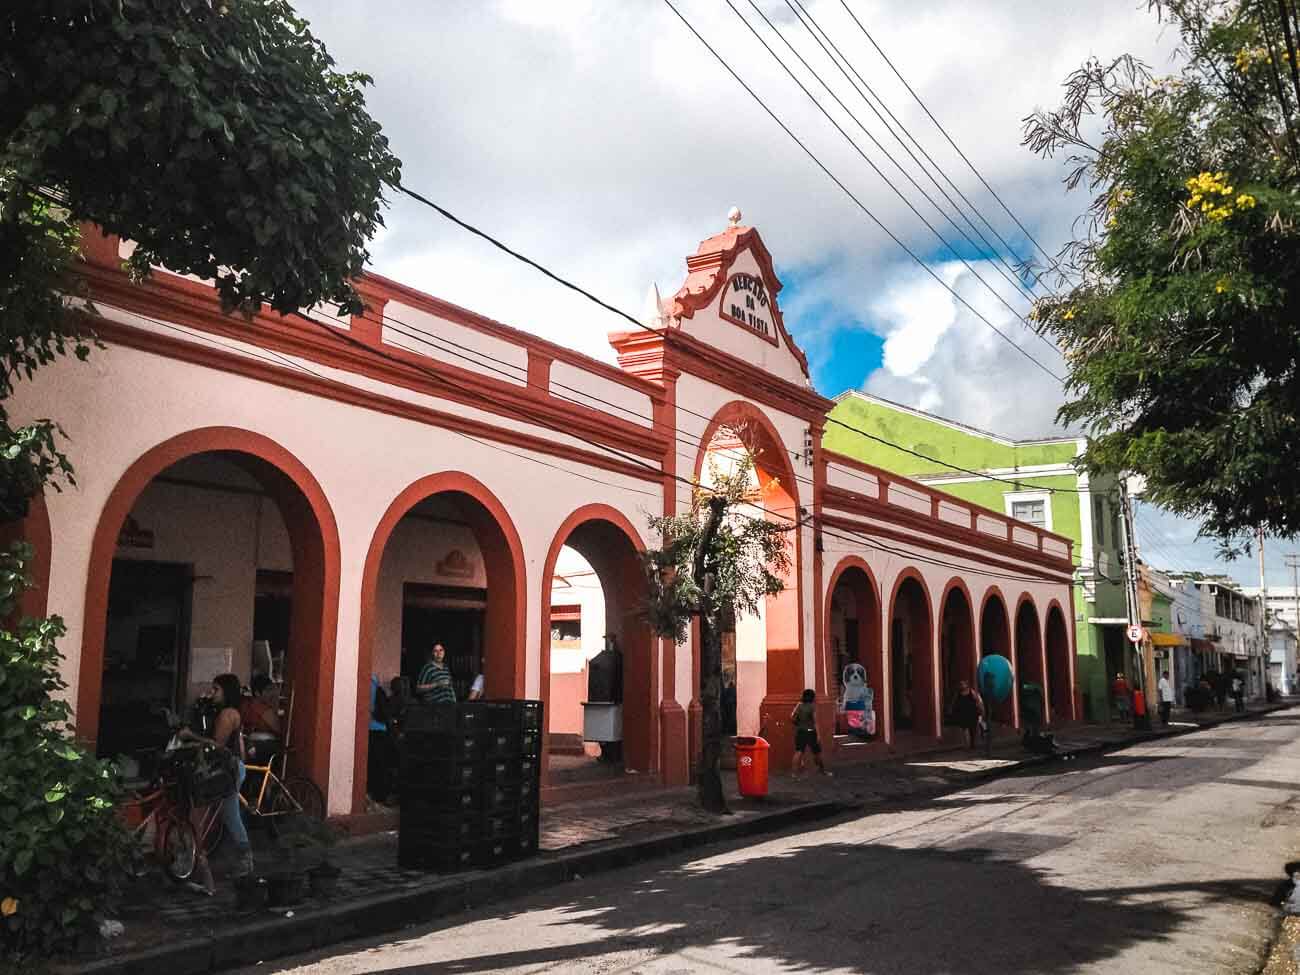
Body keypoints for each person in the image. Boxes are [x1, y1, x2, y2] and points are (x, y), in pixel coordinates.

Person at [178, 673, 251, 892]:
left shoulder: (227, 714)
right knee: (229, 815)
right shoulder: (225, 712)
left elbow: (217, 744)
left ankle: (199, 864)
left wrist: (191, 735)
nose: (212, 693)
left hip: (225, 770)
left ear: (226, 691)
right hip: (230, 768)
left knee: (208, 814)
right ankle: (243, 861)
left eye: (216, 689)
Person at [790, 688, 830, 777]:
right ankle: (822, 771)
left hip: (800, 732)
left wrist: (798, 723)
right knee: (817, 753)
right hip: (811, 732)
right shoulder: (812, 706)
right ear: (812, 697)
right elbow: (815, 722)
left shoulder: (799, 705)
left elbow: (792, 717)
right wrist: (818, 735)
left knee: (798, 752)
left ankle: (794, 773)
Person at [952, 679, 984, 749]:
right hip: (963, 714)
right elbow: (955, 703)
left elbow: (978, 701)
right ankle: (968, 745)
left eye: (963, 684)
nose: (962, 686)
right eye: (961, 684)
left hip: (973, 713)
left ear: (967, 685)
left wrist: (981, 710)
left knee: (973, 730)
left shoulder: (972, 692)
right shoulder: (958, 694)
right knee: (965, 729)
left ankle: (972, 744)